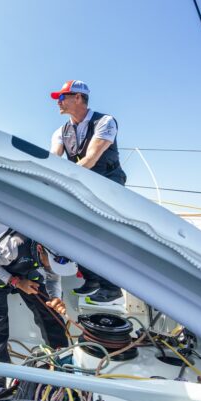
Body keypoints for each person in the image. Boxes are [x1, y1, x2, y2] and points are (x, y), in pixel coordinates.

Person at [49, 80, 127, 305]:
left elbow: (91, 159)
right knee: (72, 229)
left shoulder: (105, 121)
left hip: (108, 183)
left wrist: (63, 180)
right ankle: (92, 279)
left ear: (78, 98)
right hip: (81, 183)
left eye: (62, 97)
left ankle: (112, 288)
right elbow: (54, 160)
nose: (58, 102)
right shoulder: (61, 132)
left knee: (100, 234)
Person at [0, 230, 74, 396]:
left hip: (24, 271)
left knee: (50, 314)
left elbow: (53, 276)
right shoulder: (13, 245)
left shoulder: (52, 254)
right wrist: (16, 282)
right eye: (50, 263)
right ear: (39, 249)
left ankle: (61, 362)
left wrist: (55, 298)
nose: (51, 267)